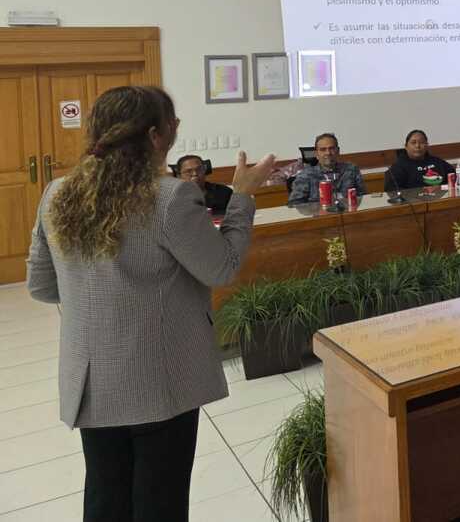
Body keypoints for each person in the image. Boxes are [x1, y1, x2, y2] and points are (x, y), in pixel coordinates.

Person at [26, 86, 275, 522]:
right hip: (160, 380)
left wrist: (100, 295)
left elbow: (42, 287)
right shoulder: (169, 198)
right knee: (160, 501)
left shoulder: (57, 193)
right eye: (173, 123)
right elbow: (222, 268)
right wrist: (242, 197)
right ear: (156, 136)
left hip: (92, 381)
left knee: (105, 495)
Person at [288, 133, 366, 206]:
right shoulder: (305, 175)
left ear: (338, 151)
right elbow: (295, 204)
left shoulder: (351, 170)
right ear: (316, 154)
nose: (328, 153)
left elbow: (363, 197)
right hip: (318, 214)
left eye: (331, 148)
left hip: (348, 213)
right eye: (323, 149)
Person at [386, 129, 454, 190]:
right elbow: (392, 190)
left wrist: (441, 188)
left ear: (426, 145)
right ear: (406, 146)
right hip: (413, 199)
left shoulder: (437, 161)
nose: (417, 146)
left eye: (421, 142)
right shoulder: (398, 167)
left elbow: (454, 178)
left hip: (440, 197)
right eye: (413, 143)